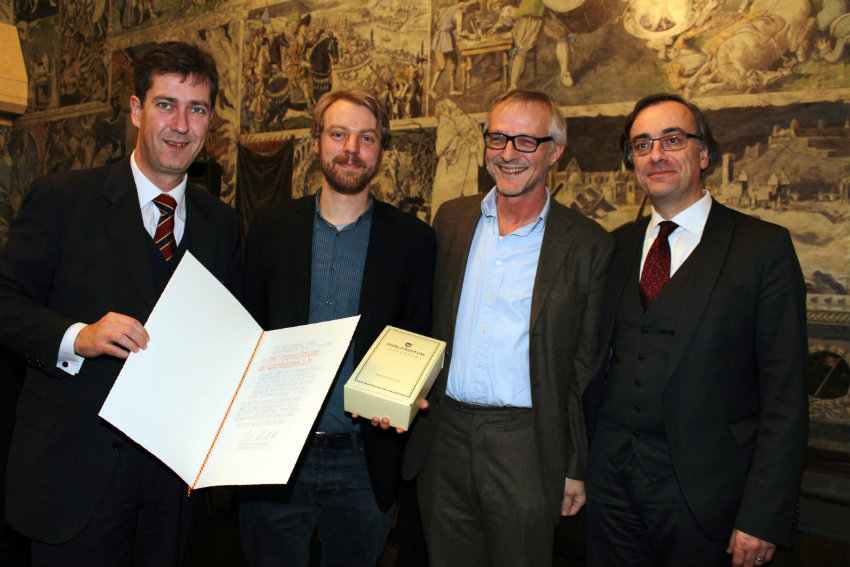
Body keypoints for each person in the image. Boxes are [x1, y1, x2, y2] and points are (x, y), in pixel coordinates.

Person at [0, 41, 241, 565]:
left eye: (196, 109)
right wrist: (76, 337)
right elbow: (6, 302)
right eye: (165, 104)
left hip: (171, 490)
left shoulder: (221, 223)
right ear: (136, 109)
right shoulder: (62, 199)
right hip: (73, 478)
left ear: (210, 121)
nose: (180, 124)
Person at [583, 93, 808, 567]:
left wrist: (763, 514)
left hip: (706, 500)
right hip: (610, 492)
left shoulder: (762, 248)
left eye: (673, 139)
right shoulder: (615, 247)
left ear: (703, 154)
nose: (657, 154)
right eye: (642, 145)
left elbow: (785, 395)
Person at [403, 89, 613, 565]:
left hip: (526, 444)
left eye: (525, 141)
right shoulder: (452, 220)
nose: (508, 154)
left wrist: (575, 464)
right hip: (444, 435)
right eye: (498, 138)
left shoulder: (587, 245)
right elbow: (425, 321)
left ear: (555, 152)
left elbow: (584, 369)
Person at [239, 88, 435, 567]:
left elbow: (416, 334)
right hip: (273, 456)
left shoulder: (413, 240)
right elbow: (243, 330)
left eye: (366, 138)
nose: (352, 149)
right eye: (339, 134)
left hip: (365, 461)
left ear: (381, 150)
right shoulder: (271, 228)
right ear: (316, 142)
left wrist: (407, 396)